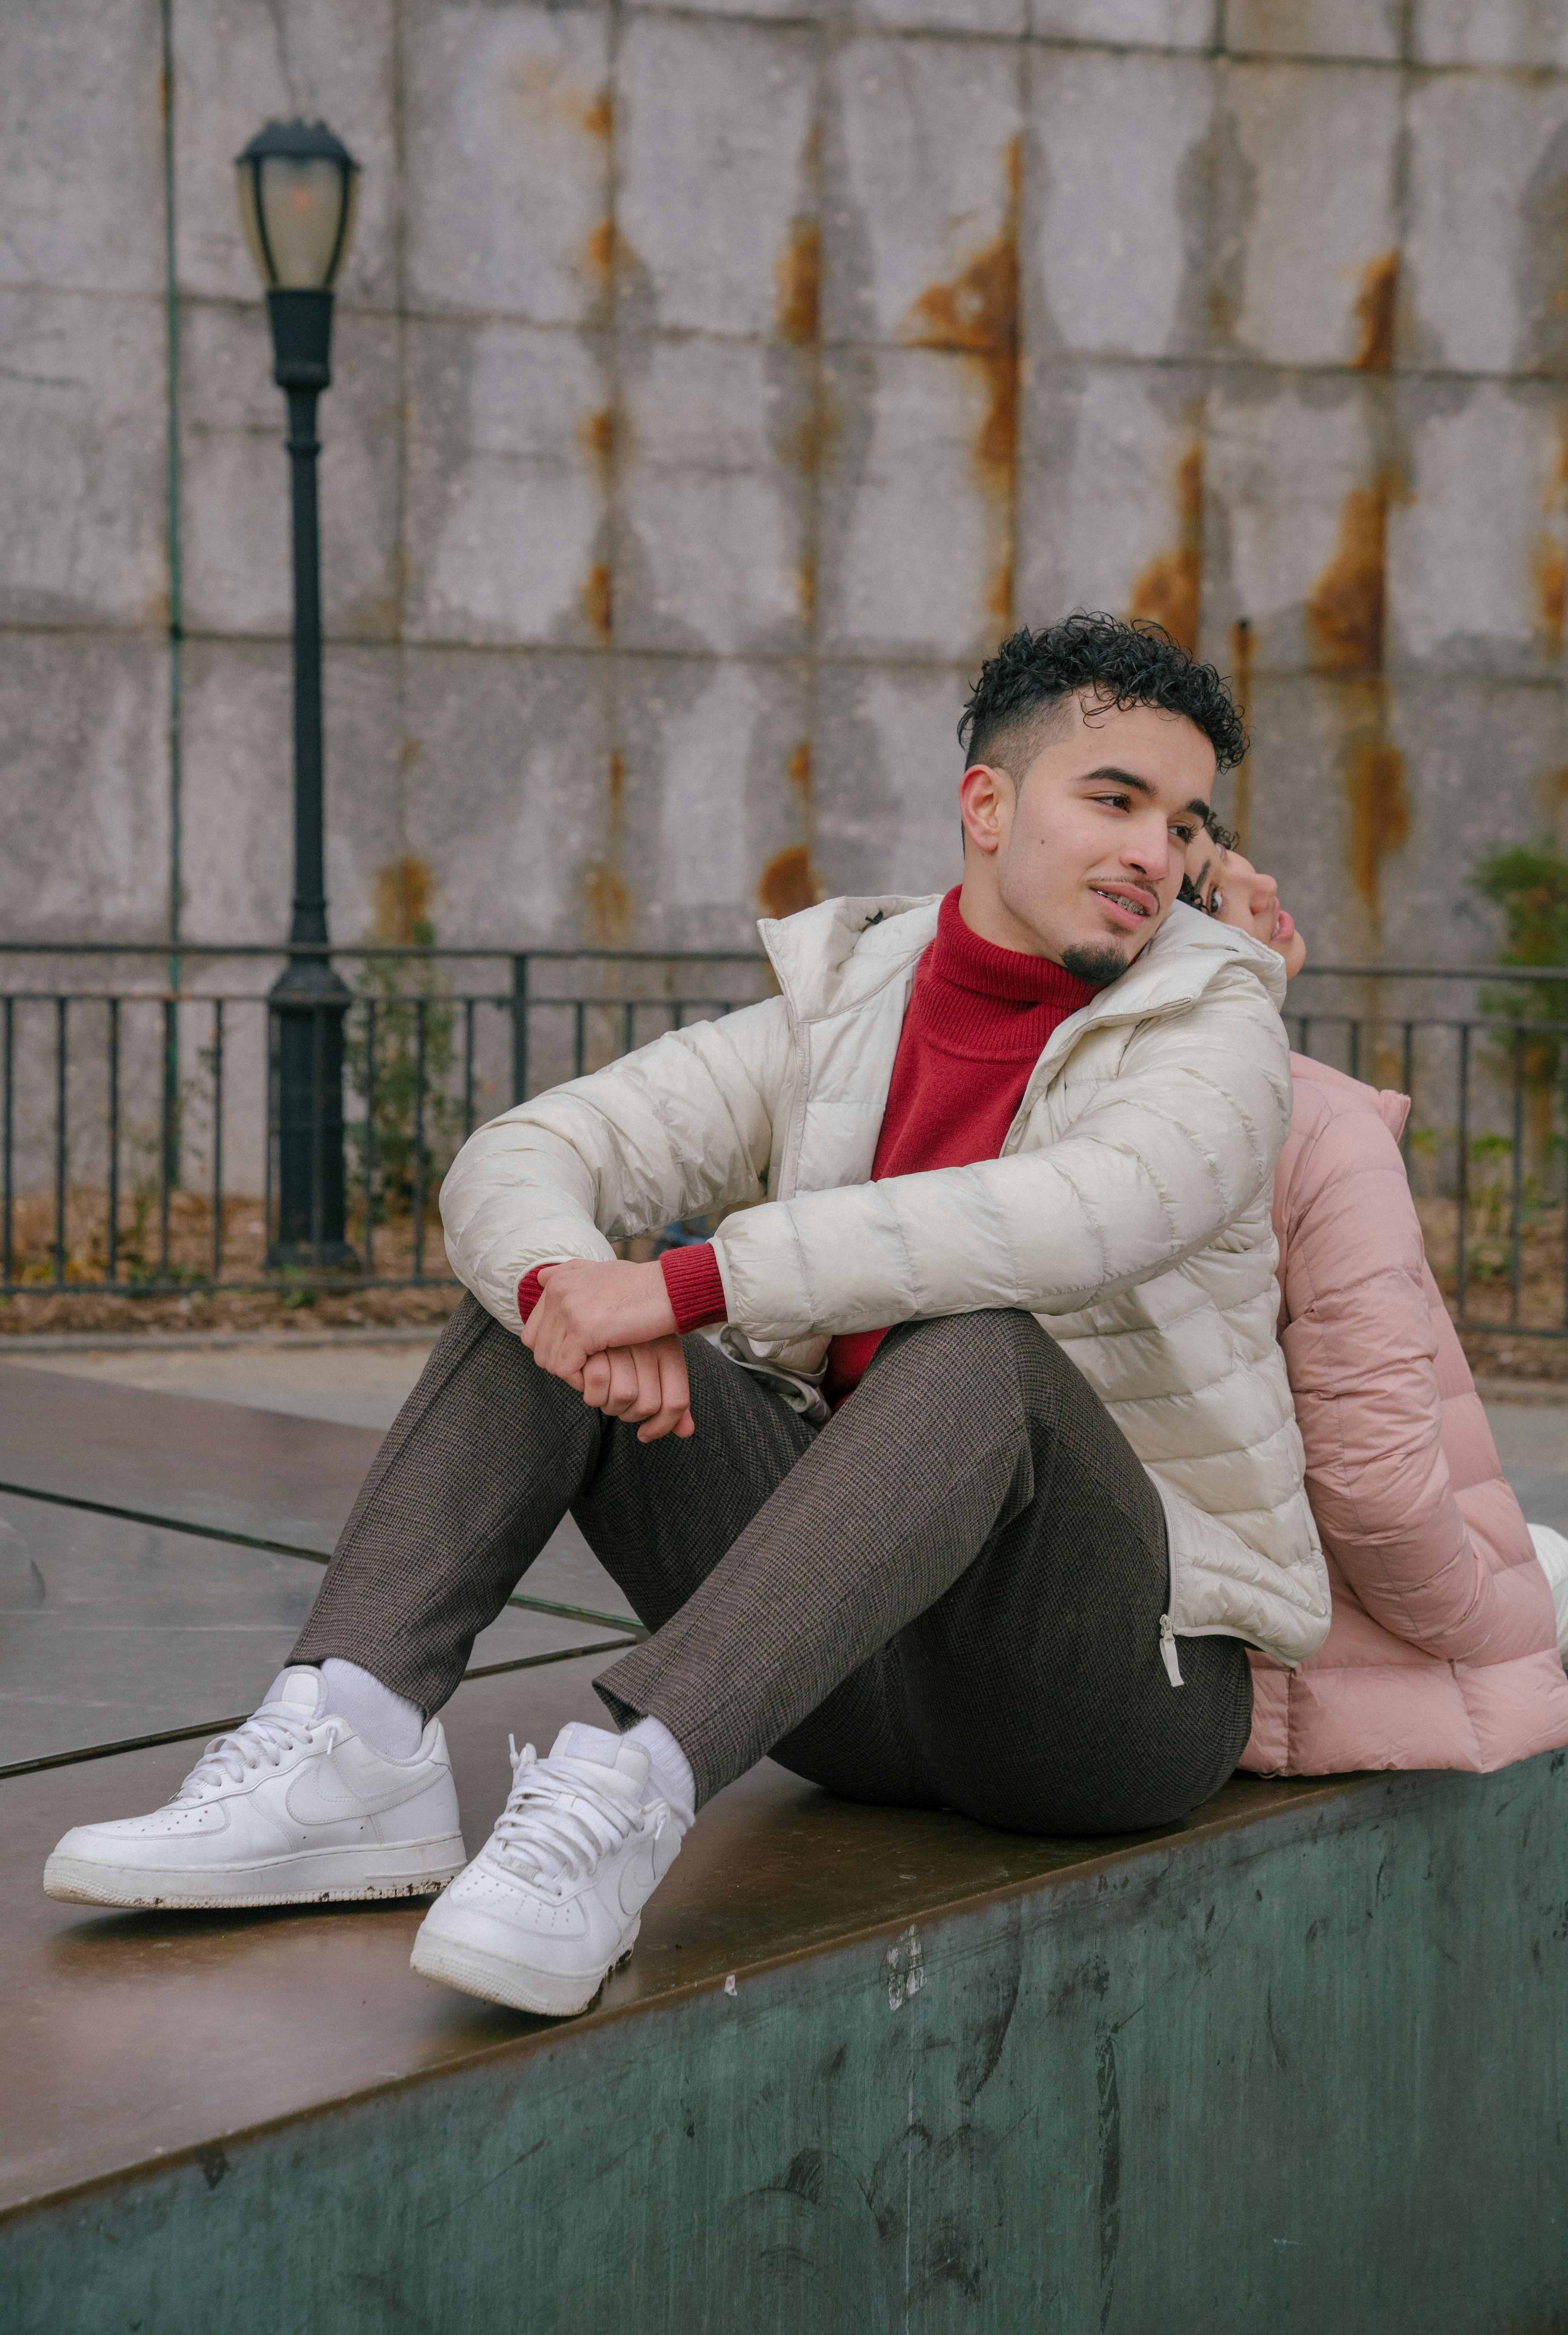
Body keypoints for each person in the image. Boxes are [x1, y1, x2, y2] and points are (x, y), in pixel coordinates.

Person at [46, 615, 1330, 2021]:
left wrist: (689, 1285)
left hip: (1099, 1694)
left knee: (976, 1348)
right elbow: (529, 1149)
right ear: (986, 804)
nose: (1157, 849)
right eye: (1115, 798)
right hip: (848, 1680)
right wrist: (573, 1293)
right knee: (541, 1300)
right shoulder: (844, 1001)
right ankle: (350, 1747)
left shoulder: (1216, 1023)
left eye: (1186, 820)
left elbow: (1083, 1213)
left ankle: (621, 1797)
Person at [1179, 820, 1568, 1772]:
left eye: (1237, 853)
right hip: (1314, 1666)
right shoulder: (1316, 1136)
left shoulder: (1097, 1113)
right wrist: (1511, 1605)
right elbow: (1382, 1503)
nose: (1264, 882)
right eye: (1216, 892)